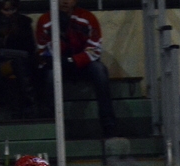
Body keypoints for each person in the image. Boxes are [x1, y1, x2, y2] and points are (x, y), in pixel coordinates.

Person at [35, 0, 118, 138]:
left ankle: (108, 124)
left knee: (100, 71)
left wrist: (75, 60)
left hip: (82, 65)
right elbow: (43, 52)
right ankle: (51, 125)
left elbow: (95, 49)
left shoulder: (88, 18)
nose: (65, 1)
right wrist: (59, 59)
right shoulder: (45, 20)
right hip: (57, 64)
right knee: (49, 76)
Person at [0, 0, 38, 118]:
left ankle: (21, 107)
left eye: (12, 9)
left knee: (17, 64)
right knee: (17, 65)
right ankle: (29, 102)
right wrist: (1, 37)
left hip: (21, 62)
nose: (9, 13)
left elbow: (30, 48)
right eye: (6, 10)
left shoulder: (23, 23)